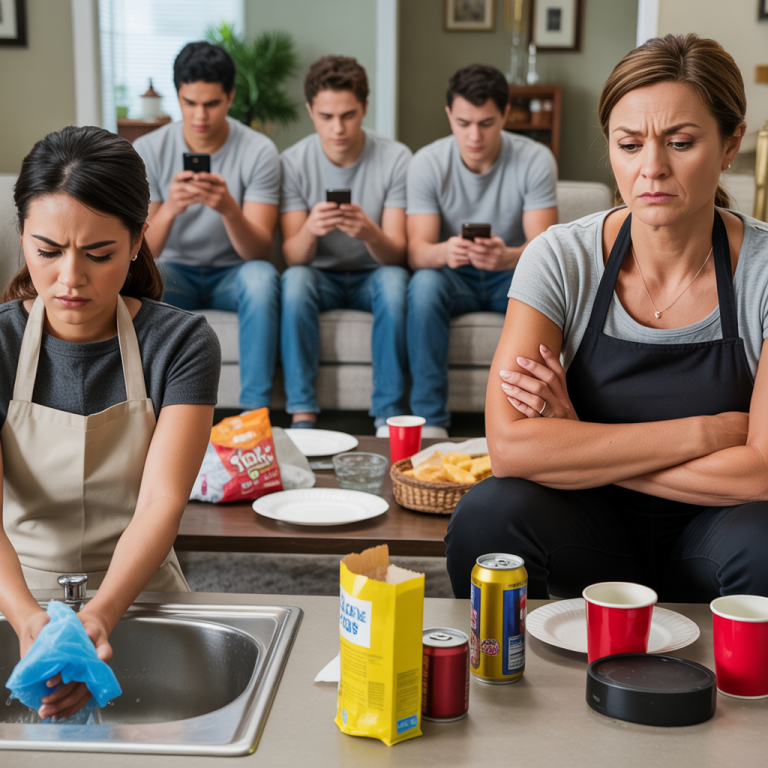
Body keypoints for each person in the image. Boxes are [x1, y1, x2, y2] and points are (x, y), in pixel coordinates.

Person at [445, 34, 768, 603]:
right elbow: (512, 449)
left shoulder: (763, 270)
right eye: (629, 143)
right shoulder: (561, 256)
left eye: (681, 141)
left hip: (719, 534)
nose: (652, 169)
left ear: (729, 144)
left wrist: (579, 444)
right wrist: (705, 432)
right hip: (589, 530)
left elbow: (760, 474)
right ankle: (504, 684)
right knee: (489, 513)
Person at [0, 126, 220, 719]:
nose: (70, 278)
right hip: (11, 589)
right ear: (22, 237)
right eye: (47, 251)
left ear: (137, 240)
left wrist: (99, 614)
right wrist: (27, 619)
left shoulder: (181, 342)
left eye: (98, 254)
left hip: (140, 591)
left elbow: (160, 504)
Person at [406, 63, 558, 437]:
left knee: (547, 288)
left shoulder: (535, 159)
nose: (474, 135)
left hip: (512, 275)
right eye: (463, 123)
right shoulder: (427, 162)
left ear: (505, 114)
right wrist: (446, 251)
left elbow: (547, 249)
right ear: (448, 116)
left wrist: (508, 256)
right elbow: (417, 253)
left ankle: (527, 423)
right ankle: (430, 423)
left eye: (486, 123)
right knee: (423, 286)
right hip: (453, 278)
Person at [134, 41, 280, 412]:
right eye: (190, 102)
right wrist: (169, 208)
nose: (200, 115)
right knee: (134, 279)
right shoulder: (148, 150)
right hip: (174, 270)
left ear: (230, 98)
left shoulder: (259, 151)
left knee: (262, 277)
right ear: (178, 97)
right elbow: (141, 252)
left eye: (212, 103)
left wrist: (228, 208)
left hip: (234, 273)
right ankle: (148, 408)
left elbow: (259, 251)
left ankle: (254, 414)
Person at [279, 55, 411, 435]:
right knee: (295, 281)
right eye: (326, 116)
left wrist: (369, 232)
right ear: (310, 111)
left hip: (374, 274)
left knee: (394, 283)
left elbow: (398, 255)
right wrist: (311, 229)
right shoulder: (292, 162)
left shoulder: (396, 158)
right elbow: (292, 256)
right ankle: (303, 414)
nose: (337, 128)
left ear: (365, 107)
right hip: (318, 276)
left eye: (349, 115)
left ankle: (387, 415)